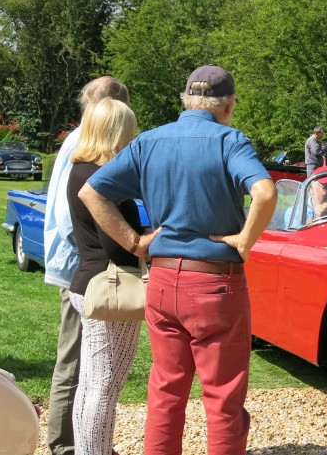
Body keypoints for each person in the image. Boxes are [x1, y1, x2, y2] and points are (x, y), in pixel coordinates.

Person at [78, 64, 276, 455]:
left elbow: (91, 192)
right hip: (216, 284)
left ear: (186, 100)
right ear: (228, 105)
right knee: (222, 397)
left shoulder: (150, 141)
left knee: (166, 390)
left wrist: (135, 241)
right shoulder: (229, 141)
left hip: (164, 282)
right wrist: (243, 241)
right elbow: (266, 193)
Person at [43, 76, 130, 455]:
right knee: (85, 373)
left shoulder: (83, 152)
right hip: (88, 272)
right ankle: (67, 446)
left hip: (84, 269)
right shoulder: (86, 154)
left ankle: (83, 447)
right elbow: (72, 218)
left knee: (88, 375)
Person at [65, 98, 142, 454]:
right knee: (105, 385)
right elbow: (117, 247)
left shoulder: (78, 169)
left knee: (90, 382)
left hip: (86, 283)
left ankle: (88, 449)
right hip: (110, 286)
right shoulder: (103, 178)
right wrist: (146, 241)